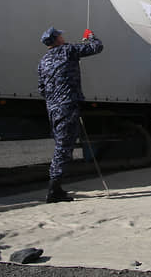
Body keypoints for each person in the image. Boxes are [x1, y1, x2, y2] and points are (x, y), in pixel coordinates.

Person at [37, 27, 104, 203]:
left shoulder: (43, 61)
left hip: (53, 108)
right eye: (60, 35)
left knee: (62, 145)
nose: (63, 36)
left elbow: (41, 88)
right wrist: (90, 36)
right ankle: (54, 190)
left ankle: (56, 188)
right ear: (56, 39)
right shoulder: (68, 50)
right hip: (67, 106)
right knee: (63, 148)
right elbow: (97, 47)